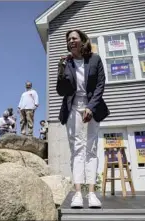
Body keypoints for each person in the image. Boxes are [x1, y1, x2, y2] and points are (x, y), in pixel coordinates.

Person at [56, 29, 110, 208]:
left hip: (92, 107)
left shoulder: (95, 59)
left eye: (74, 38)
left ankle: (92, 194)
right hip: (72, 108)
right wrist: (61, 69)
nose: (71, 41)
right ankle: (78, 193)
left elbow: (100, 84)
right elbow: (62, 91)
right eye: (69, 39)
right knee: (77, 149)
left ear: (83, 41)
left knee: (91, 148)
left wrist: (91, 107)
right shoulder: (67, 62)